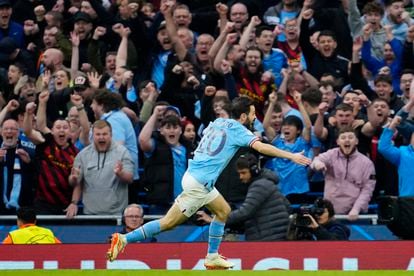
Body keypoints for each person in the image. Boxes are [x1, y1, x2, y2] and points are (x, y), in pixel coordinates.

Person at [106, 97, 311, 269]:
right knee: (168, 223)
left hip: (196, 177)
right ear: (242, 117)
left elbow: (210, 138)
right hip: (199, 183)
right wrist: (290, 156)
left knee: (222, 210)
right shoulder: (239, 130)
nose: (254, 117)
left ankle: (212, 255)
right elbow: (262, 148)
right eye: (251, 114)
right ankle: (123, 239)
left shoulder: (218, 123)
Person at [197, 153, 290, 241]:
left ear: (254, 171)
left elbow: (245, 213)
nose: (240, 177)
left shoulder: (260, 185)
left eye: (243, 173)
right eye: (239, 173)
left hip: (268, 239)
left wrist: (214, 220)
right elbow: (287, 206)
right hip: (273, 237)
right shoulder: (267, 183)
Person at [67, 120, 134, 217]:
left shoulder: (122, 152)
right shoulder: (82, 155)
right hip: (90, 214)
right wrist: (74, 202)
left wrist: (120, 173)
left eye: (104, 134)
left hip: (116, 215)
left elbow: (130, 178)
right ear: (92, 136)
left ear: (111, 135)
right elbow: (76, 184)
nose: (101, 137)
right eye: (98, 134)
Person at [310, 127, 376, 220]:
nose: (347, 140)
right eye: (343, 138)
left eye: (350, 137)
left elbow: (367, 189)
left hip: (355, 215)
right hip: (330, 214)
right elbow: (317, 160)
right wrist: (318, 164)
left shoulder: (367, 163)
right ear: (338, 142)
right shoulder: (331, 154)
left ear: (356, 141)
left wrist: (356, 209)